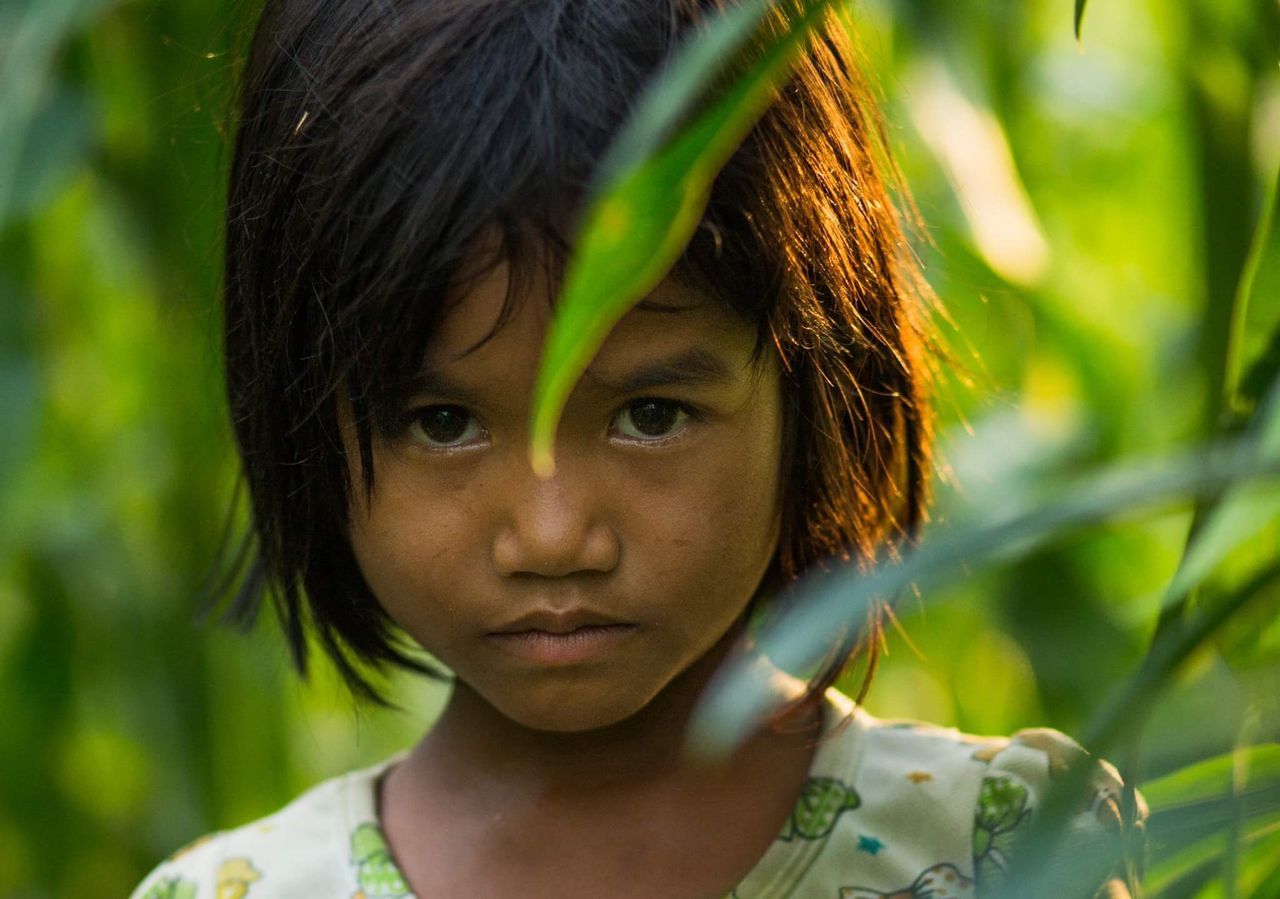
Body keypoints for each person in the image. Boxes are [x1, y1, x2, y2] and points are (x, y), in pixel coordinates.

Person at [130, 0, 1145, 896]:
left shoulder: (1000, 847)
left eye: (650, 414)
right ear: (301, 422)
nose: (552, 534)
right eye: (442, 423)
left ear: (818, 383)